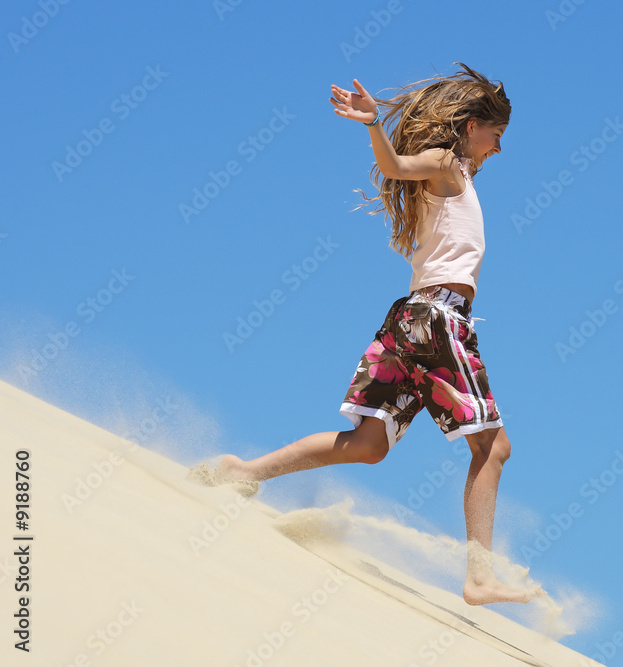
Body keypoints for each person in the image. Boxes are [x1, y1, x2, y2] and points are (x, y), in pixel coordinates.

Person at [191, 64, 541, 606]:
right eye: (496, 136)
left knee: (368, 445)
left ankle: (243, 470)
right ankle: (478, 576)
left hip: (408, 322)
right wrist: (374, 126)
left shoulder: (458, 179)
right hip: (438, 320)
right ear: (472, 127)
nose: (498, 149)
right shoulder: (447, 165)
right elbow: (399, 165)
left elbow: (407, 168)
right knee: (493, 448)